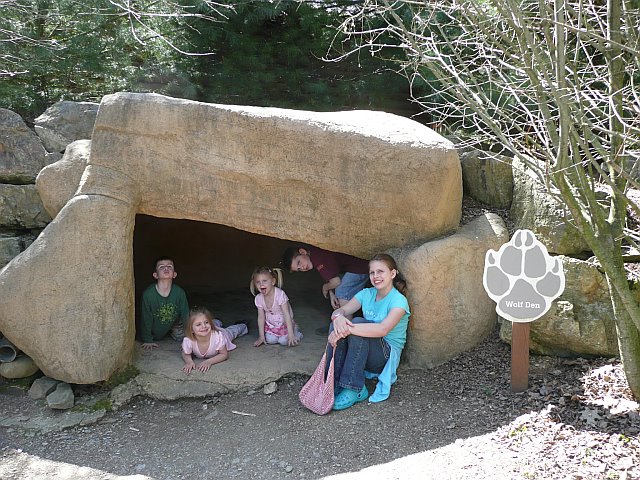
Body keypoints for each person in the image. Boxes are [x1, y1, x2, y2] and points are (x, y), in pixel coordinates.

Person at [325, 253, 410, 410]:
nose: (375, 276)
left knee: (357, 324)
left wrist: (347, 328)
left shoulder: (398, 301)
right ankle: (332, 382)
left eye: (380, 271)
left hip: (384, 356)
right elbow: (343, 310)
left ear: (392, 274)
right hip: (366, 351)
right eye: (372, 272)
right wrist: (337, 318)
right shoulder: (366, 294)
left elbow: (382, 329)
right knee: (338, 325)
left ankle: (354, 389)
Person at [281, 245, 370, 313]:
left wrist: (325, 288)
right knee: (338, 292)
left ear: (303, 252)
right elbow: (331, 277)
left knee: (342, 291)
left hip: (361, 267)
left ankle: (345, 325)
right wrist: (331, 293)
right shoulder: (314, 256)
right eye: (299, 269)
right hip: (351, 268)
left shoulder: (318, 258)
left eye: (299, 262)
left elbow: (336, 282)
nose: (302, 268)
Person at [139, 256, 189, 350]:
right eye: (161, 267)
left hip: (173, 324)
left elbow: (185, 315)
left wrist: (189, 338)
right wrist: (147, 339)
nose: (166, 268)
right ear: (155, 275)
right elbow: (146, 318)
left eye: (169, 266)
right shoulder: (148, 295)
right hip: (155, 329)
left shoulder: (179, 292)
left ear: (174, 274)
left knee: (199, 328)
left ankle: (214, 323)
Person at [181, 307, 248, 373]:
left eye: (206, 322)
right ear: (191, 330)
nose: (203, 326)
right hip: (211, 329)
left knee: (232, 331)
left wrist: (208, 362)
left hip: (222, 333)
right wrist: (189, 362)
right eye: (198, 324)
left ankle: (242, 325)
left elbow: (224, 354)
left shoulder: (218, 337)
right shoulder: (189, 340)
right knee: (213, 325)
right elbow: (185, 353)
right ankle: (216, 321)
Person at [251, 266, 303, 347]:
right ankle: (277, 335)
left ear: (273, 281)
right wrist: (261, 337)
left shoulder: (280, 294)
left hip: (284, 324)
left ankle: (296, 333)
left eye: (264, 281)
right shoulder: (258, 298)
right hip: (272, 325)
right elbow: (261, 317)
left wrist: (291, 336)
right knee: (270, 340)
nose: (261, 284)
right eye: (258, 282)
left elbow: (287, 315)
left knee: (284, 341)